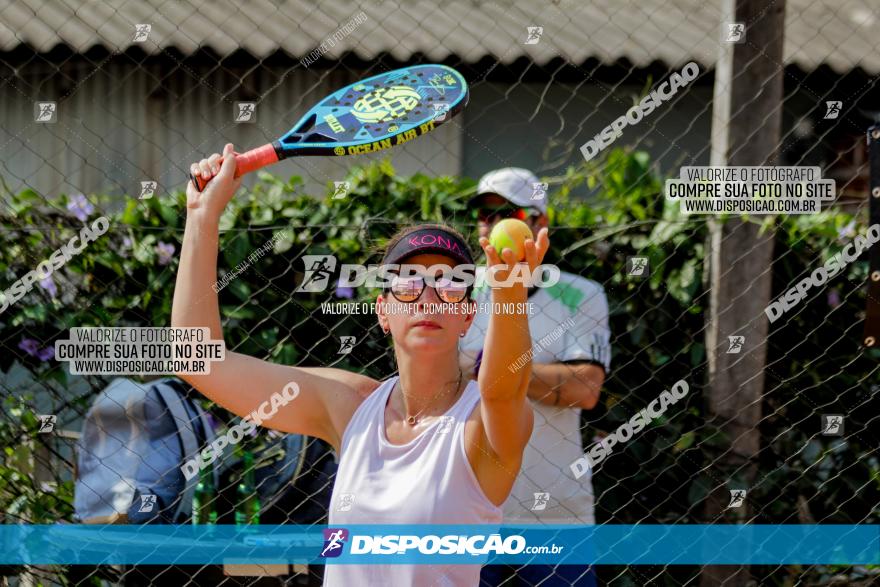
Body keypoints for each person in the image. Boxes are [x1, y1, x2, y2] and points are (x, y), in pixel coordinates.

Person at [173, 145, 550, 586]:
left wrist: (509, 292)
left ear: (468, 315)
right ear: (382, 311)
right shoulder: (351, 406)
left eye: (448, 283)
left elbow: (502, 388)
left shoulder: (481, 425)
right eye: (408, 281)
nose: (427, 295)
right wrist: (202, 217)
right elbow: (197, 360)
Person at [460, 168, 611, 587]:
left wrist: (480, 367)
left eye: (507, 213)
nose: (492, 224)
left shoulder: (581, 293)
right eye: (485, 214)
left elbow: (584, 388)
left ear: (539, 224)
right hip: (469, 508)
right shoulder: (458, 291)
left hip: (555, 513)